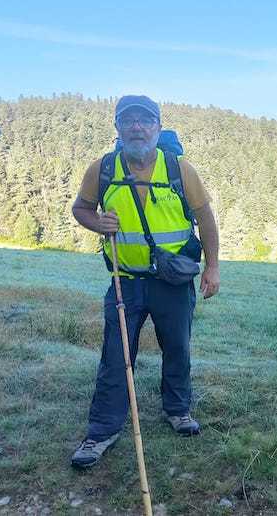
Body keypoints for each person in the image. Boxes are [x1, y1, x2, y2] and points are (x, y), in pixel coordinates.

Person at [69, 95, 220, 468]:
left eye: (145, 120)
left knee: (178, 347)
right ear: (117, 128)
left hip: (173, 281)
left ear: (157, 125)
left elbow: (206, 219)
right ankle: (103, 430)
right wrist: (96, 223)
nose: (137, 127)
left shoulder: (179, 169)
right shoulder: (102, 169)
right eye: (129, 120)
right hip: (126, 280)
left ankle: (178, 411)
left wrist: (213, 268)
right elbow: (81, 208)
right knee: (116, 356)